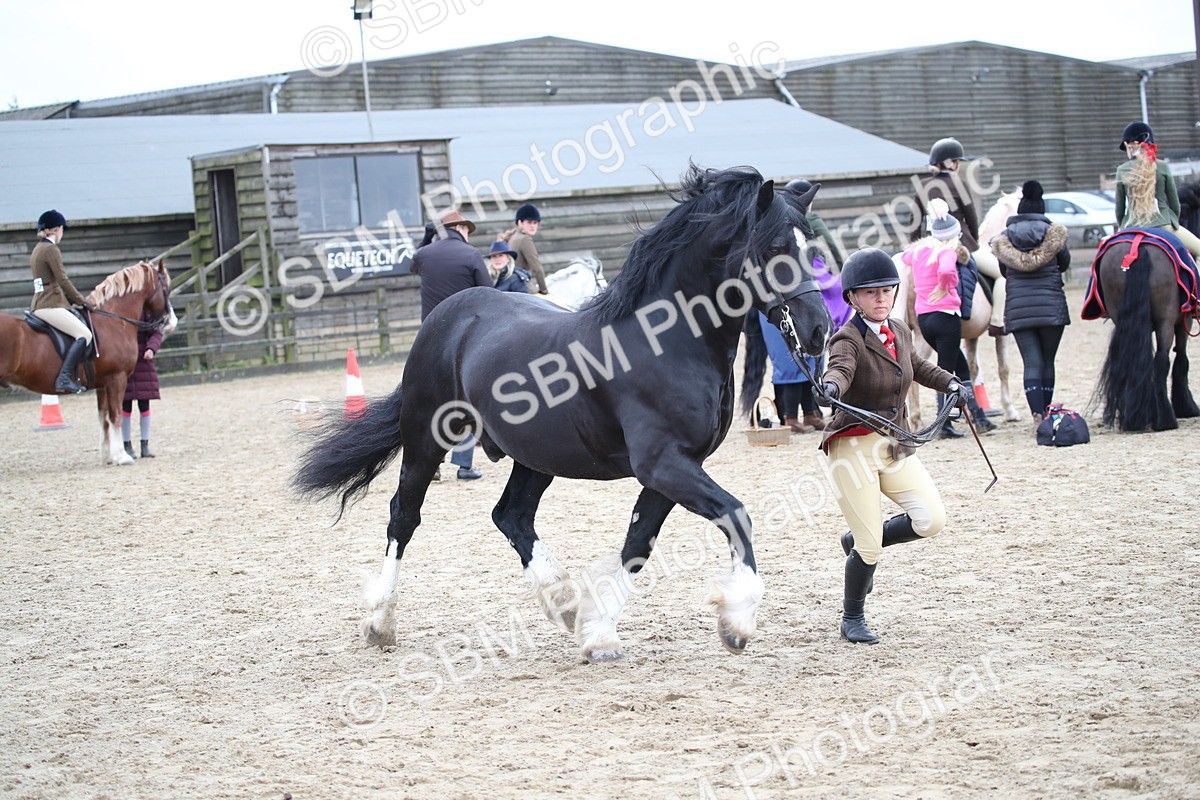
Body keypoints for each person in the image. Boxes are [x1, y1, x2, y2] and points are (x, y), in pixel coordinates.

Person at [816, 247, 972, 644]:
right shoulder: (846, 339)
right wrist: (831, 386)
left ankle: (855, 541)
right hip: (852, 450)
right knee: (871, 546)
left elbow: (919, 367)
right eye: (871, 293)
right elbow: (841, 368)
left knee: (931, 519)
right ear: (852, 297)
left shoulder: (900, 330)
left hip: (893, 444)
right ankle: (852, 617)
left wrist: (952, 383)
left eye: (887, 290)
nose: (881, 298)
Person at [901, 198, 996, 438]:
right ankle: (943, 424)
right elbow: (945, 270)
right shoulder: (947, 252)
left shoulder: (920, 251)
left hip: (925, 318)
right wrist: (944, 286)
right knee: (946, 371)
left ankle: (975, 414)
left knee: (961, 367)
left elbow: (905, 258)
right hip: (946, 317)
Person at [410, 210, 492, 480]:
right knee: (467, 400)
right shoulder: (471, 255)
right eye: (466, 228)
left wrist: (426, 237)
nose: (468, 233)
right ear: (457, 228)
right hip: (467, 337)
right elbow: (489, 294)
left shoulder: (425, 255)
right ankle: (464, 464)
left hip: (431, 338)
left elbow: (414, 263)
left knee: (431, 401)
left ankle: (431, 463)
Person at [989, 180, 1071, 431]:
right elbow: (1064, 264)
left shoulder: (1004, 239)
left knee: (1031, 363)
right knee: (1048, 361)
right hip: (1050, 307)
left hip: (1019, 309)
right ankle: (1047, 413)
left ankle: (1036, 417)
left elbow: (1003, 271)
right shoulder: (1054, 234)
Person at [912, 138, 1007, 336]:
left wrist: (916, 247)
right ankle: (997, 320)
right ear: (951, 163)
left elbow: (914, 223)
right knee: (1001, 274)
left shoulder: (922, 185)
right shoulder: (959, 184)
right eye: (957, 161)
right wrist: (973, 241)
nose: (958, 165)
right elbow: (972, 218)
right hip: (960, 243)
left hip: (930, 246)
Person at [1114, 121, 1200, 260]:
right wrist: (1172, 221)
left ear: (1131, 147)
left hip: (1130, 226)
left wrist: (1122, 226)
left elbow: (1119, 208)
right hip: (1162, 224)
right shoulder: (1162, 166)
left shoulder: (1121, 170)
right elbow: (1174, 203)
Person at [29, 209, 92, 394]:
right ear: (56, 229)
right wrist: (81, 301)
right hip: (49, 305)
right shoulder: (51, 249)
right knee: (84, 335)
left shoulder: (37, 249)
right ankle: (63, 378)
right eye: (62, 229)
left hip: (39, 303)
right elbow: (62, 280)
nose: (62, 233)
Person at [122, 314, 165, 459]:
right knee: (125, 407)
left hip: (142, 363)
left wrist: (151, 349)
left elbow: (156, 333)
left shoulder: (145, 312)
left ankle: (144, 445)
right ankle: (126, 445)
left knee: (144, 406)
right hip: (124, 364)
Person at [784, 178, 845, 271]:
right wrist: (840, 268)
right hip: (813, 272)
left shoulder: (782, 219)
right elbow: (831, 245)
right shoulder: (809, 217)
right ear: (808, 199)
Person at [505, 203, 548, 295]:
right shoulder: (524, 239)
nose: (532, 226)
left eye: (535, 222)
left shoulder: (512, 237)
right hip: (521, 287)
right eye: (529, 222)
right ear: (520, 222)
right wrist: (544, 291)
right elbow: (537, 268)